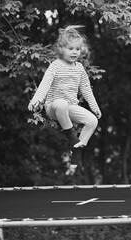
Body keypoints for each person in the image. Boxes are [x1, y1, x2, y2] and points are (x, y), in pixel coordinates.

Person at [28, 25, 102, 170]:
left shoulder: (79, 68)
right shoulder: (55, 66)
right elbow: (45, 83)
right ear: (61, 49)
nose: (74, 52)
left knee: (92, 121)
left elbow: (86, 89)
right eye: (70, 49)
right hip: (53, 107)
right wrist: (37, 99)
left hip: (70, 107)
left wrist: (95, 107)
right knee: (61, 103)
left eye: (77, 49)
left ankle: (77, 148)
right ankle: (71, 137)